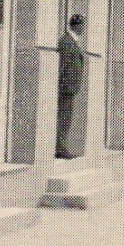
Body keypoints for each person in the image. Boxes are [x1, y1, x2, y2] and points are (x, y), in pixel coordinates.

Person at [55, 14, 86, 159]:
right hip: (65, 88)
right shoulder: (67, 42)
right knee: (63, 118)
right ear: (76, 26)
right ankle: (60, 149)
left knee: (66, 118)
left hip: (69, 87)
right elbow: (62, 65)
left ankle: (62, 147)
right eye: (81, 26)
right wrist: (60, 85)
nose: (82, 29)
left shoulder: (72, 41)